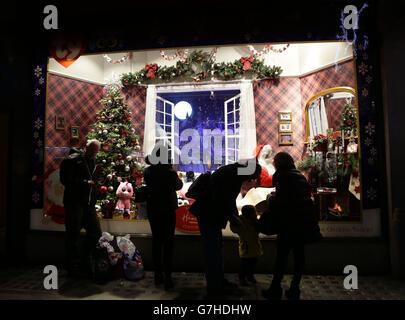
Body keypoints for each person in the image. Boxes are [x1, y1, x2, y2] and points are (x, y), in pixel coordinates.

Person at [190, 159, 262, 297]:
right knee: (213, 252)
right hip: (208, 215)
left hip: (209, 214)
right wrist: (233, 216)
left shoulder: (232, 171)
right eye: (251, 178)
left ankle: (218, 282)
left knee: (215, 249)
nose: (249, 181)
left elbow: (226, 199)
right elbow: (222, 199)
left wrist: (233, 215)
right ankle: (215, 287)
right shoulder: (233, 175)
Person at [262, 152, 322, 300]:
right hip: (301, 223)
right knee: (299, 258)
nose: (274, 164)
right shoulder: (299, 175)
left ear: (279, 163)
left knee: (281, 259)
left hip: (288, 224)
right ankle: (294, 289)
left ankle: (275, 289)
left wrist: (270, 199)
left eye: (275, 161)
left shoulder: (282, 176)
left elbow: (283, 201)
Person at [60, 139, 102, 277]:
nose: (94, 154)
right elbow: (65, 180)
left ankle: (84, 260)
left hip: (88, 204)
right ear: (86, 148)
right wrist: (85, 183)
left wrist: (95, 190)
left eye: (96, 151)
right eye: (93, 150)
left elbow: (93, 180)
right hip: (74, 203)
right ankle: (73, 266)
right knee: (73, 235)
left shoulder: (93, 161)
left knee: (95, 232)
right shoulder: (72, 160)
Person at [143, 144, 183, 290]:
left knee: (156, 241)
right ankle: (167, 276)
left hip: (153, 209)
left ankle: (157, 275)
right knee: (168, 242)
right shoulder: (169, 172)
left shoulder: (148, 171)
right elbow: (179, 186)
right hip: (167, 209)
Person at [230, 205, 263, 286]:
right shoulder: (242, 223)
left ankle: (249, 276)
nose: (255, 214)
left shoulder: (255, 222)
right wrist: (234, 220)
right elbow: (234, 229)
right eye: (254, 212)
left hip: (254, 247)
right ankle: (242, 278)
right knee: (244, 265)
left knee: (252, 264)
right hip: (247, 248)